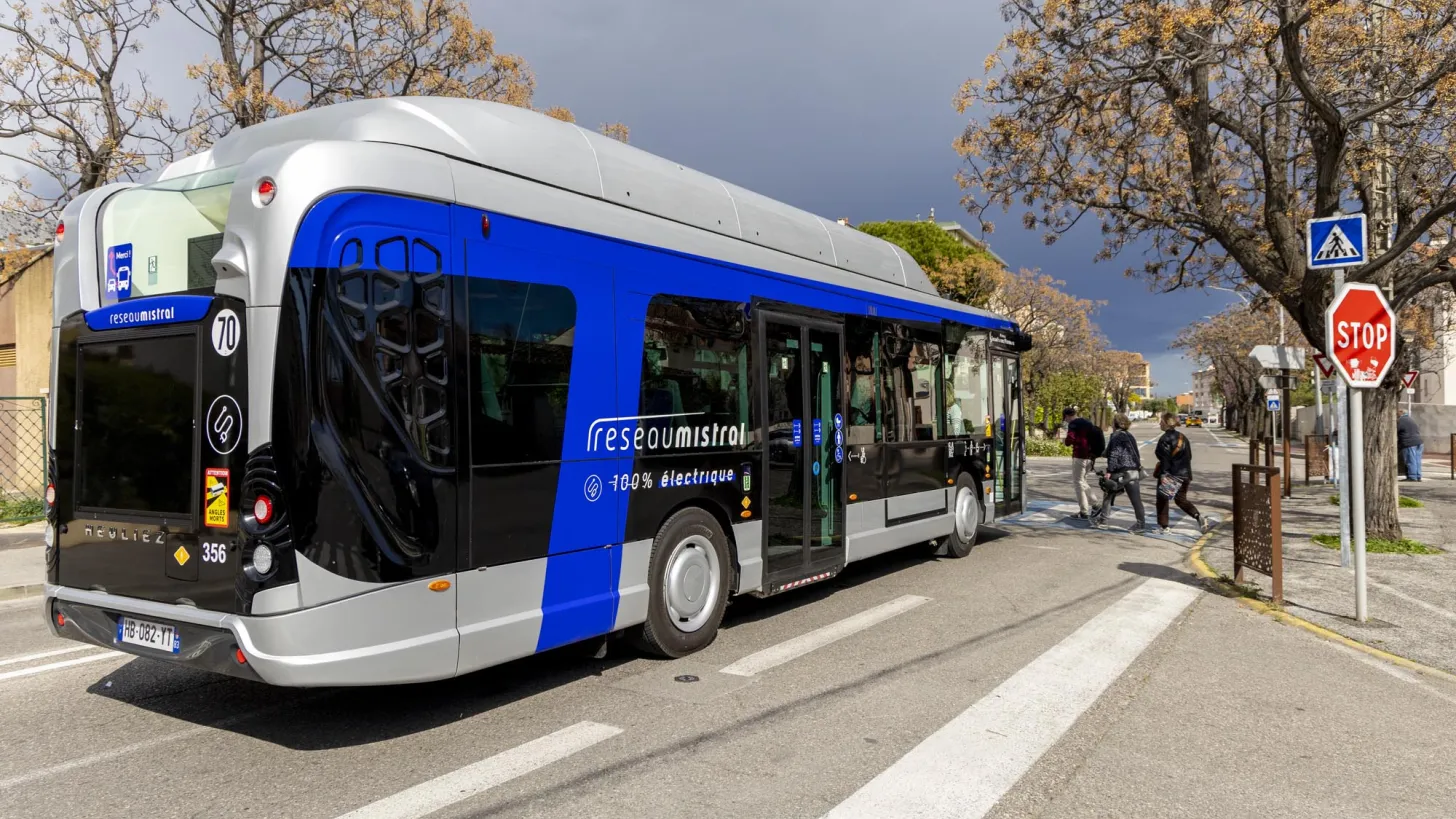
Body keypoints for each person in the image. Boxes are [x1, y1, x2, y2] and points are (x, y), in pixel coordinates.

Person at [1153, 411, 1211, 533]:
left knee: (1162, 499)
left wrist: (1164, 475)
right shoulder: (1182, 437)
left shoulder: (1165, 438)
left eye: (1161, 421)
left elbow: (1165, 459)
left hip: (1171, 474)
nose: (1160, 424)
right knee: (1181, 499)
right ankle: (1198, 516)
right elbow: (1189, 456)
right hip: (1185, 474)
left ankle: (1164, 527)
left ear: (1167, 423)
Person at [1092, 413, 1146, 533]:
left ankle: (1103, 521)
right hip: (1133, 472)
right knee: (1136, 500)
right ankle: (1141, 525)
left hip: (1120, 472)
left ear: (1115, 424)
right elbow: (1135, 453)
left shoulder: (1116, 436)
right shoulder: (1129, 436)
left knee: (1108, 494)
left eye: (1112, 422)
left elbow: (1114, 455)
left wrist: (1109, 472)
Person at [1063, 406, 1100, 519]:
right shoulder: (1087, 422)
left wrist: (1066, 441)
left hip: (1080, 455)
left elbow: (1070, 440)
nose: (1065, 420)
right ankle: (1093, 506)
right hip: (1091, 456)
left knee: (1078, 482)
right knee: (1083, 481)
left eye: (1065, 418)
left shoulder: (1073, 424)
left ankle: (1088, 508)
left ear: (1068, 416)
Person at [1398, 409, 1423, 482]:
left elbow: (1395, 430)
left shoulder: (1401, 420)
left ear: (1401, 412)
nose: (1397, 414)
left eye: (1398, 412)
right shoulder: (1411, 419)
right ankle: (1418, 476)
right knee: (1417, 460)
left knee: (1410, 459)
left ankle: (1412, 476)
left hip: (1409, 442)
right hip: (1419, 442)